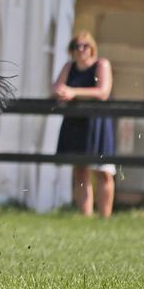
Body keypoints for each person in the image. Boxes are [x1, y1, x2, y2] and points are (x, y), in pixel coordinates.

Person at [53, 30, 115, 218]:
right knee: (80, 170)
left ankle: (105, 217)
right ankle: (85, 216)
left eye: (84, 45)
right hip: (75, 122)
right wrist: (62, 93)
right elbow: (57, 88)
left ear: (92, 48)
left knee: (103, 171)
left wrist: (73, 92)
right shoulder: (69, 67)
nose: (80, 50)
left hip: (97, 123)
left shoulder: (101, 64)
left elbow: (102, 92)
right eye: (76, 46)